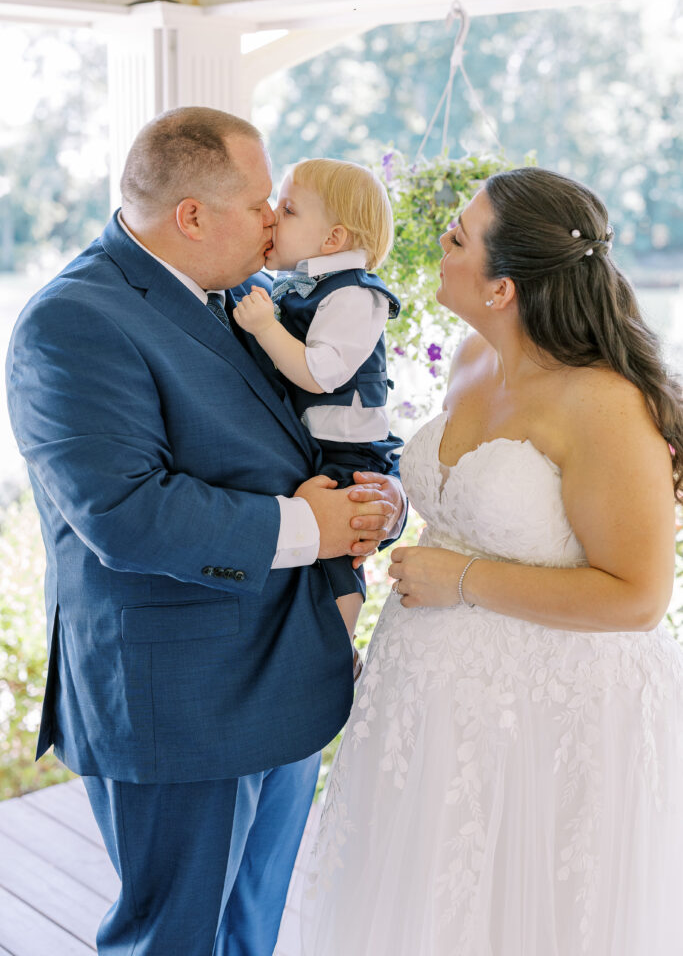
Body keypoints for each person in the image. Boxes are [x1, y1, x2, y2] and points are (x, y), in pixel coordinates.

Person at [4, 106, 405, 956]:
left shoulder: (248, 295)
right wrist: (310, 524)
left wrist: (377, 501)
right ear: (192, 215)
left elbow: (333, 418)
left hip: (286, 678)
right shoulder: (75, 321)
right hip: (182, 696)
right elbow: (125, 514)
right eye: (262, 200)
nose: (273, 219)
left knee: (251, 930)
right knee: (176, 939)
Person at [301, 167, 683, 956]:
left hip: (549, 713)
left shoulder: (603, 402)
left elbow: (638, 598)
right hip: (432, 705)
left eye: (455, 239)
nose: (437, 247)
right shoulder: (471, 357)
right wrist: (400, 506)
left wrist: (463, 581)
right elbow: (476, 504)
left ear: (502, 286)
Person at [233, 158, 402, 676]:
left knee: (342, 548)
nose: (272, 217)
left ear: (332, 238)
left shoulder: (355, 293)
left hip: (349, 449)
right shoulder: (297, 284)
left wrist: (265, 328)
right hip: (320, 444)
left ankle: (340, 644)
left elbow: (319, 374)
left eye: (287, 209)